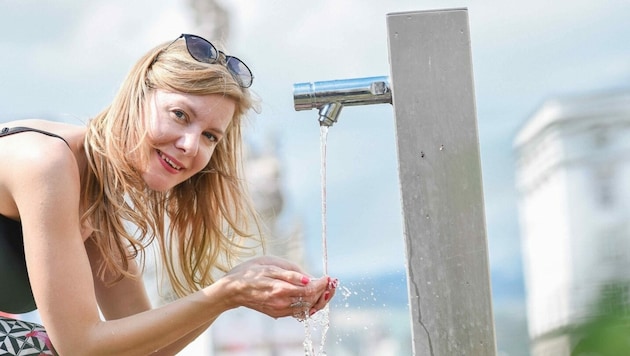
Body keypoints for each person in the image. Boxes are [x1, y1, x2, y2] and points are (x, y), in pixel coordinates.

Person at [0, 33, 337, 355]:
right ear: (136, 98)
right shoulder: (47, 163)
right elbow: (81, 346)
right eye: (180, 115)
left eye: (209, 136)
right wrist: (223, 294)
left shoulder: (96, 205)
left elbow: (141, 350)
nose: (190, 145)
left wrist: (236, 289)